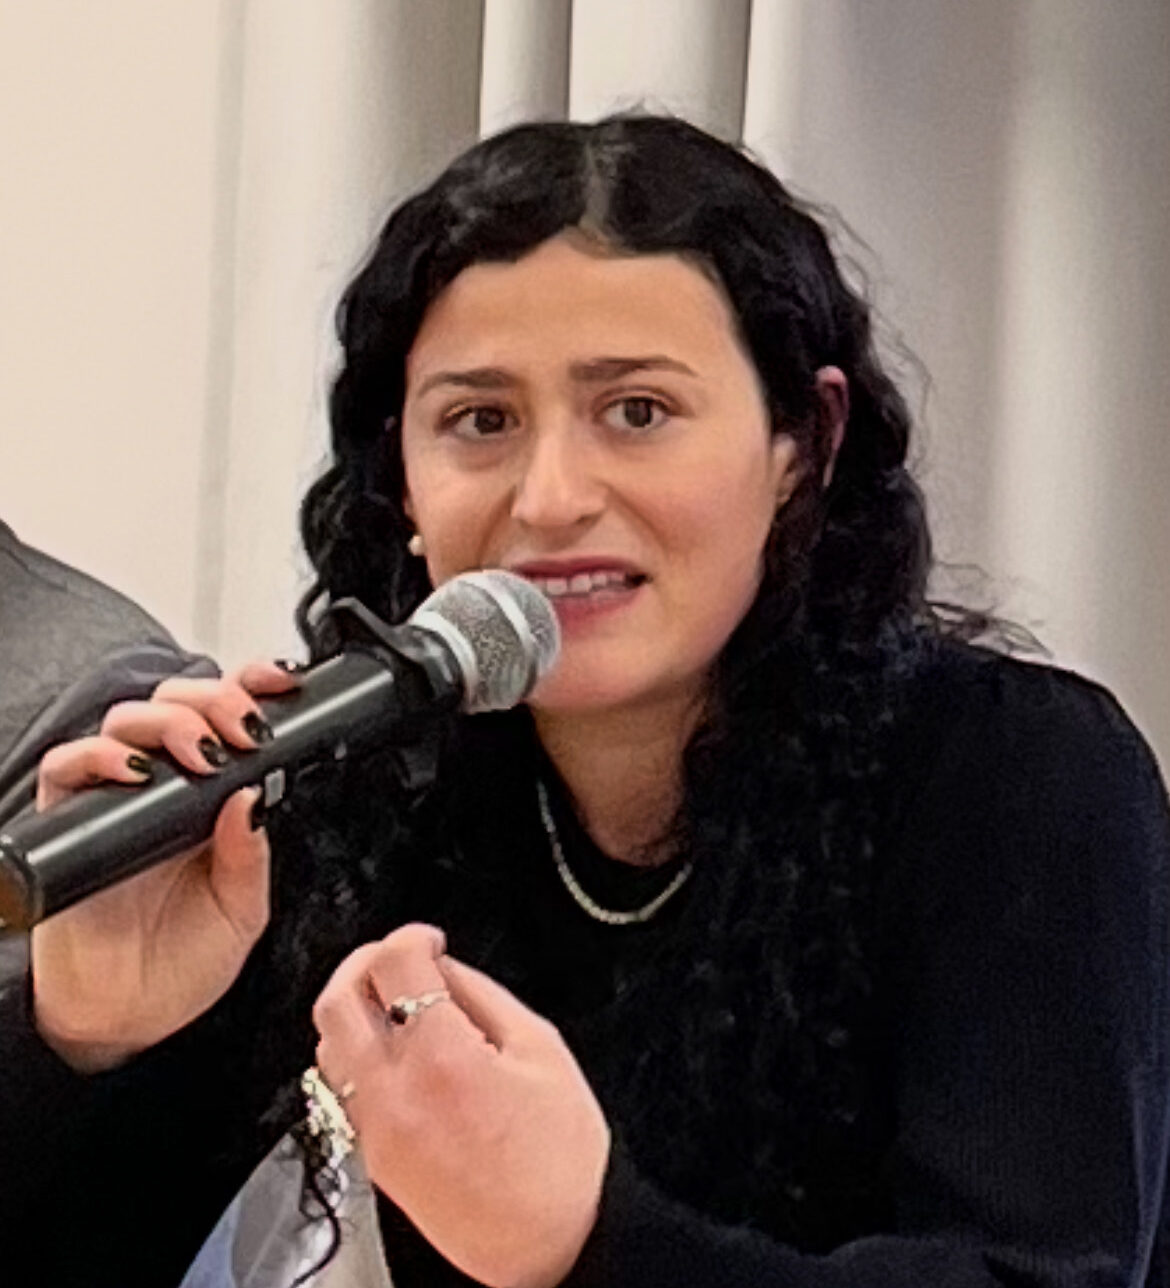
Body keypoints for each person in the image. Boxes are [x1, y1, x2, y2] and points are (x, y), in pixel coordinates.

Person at [0, 114, 1167, 1288]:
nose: (551, 497)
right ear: (402, 484)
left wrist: (593, 1244)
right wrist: (83, 1042)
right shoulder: (369, 800)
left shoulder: (1020, 779)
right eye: (481, 422)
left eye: (638, 412)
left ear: (803, 446)